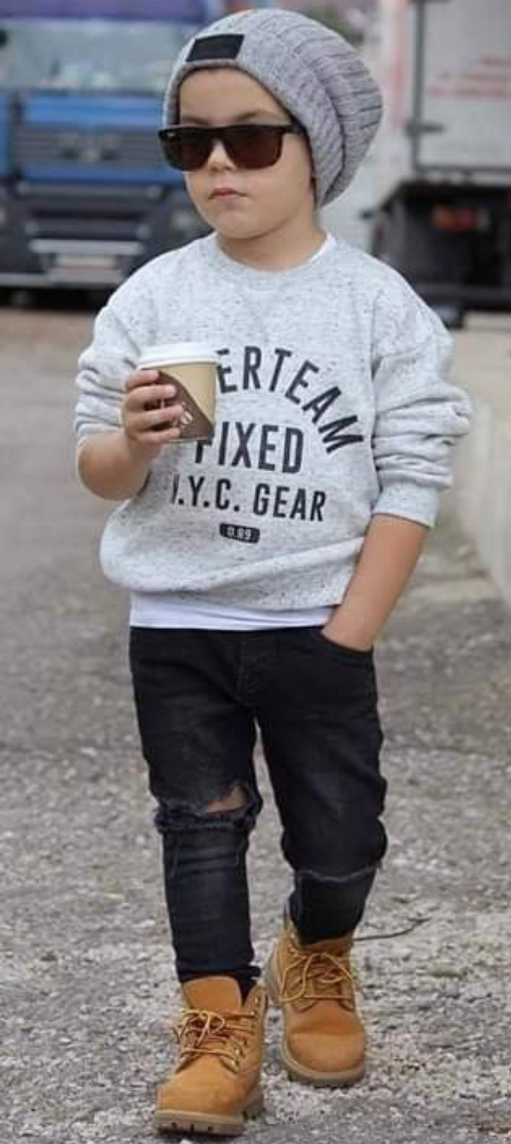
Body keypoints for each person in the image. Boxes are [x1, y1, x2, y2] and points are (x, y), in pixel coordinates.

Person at [74, 7, 471, 1137]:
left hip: (315, 621)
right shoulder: (154, 296)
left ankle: (318, 948)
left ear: (316, 148)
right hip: (178, 619)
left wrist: (351, 631)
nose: (217, 165)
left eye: (249, 139)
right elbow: (96, 467)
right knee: (198, 825)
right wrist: (132, 443)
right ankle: (217, 1021)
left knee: (341, 836)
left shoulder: (375, 306)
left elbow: (412, 474)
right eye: (189, 142)